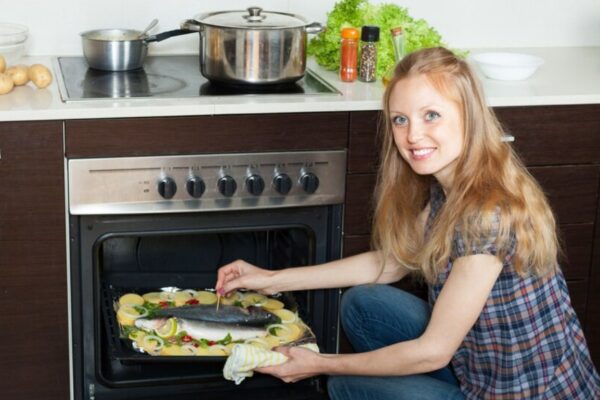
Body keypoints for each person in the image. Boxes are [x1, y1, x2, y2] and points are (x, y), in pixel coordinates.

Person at [215, 47, 600, 399]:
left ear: (469, 116)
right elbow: (390, 263)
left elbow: (433, 351)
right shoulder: (451, 185)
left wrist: (319, 363)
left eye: (431, 115)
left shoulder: (485, 216)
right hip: (480, 366)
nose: (413, 135)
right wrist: (270, 279)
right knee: (363, 303)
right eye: (400, 119)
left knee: (347, 385)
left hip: (523, 394)